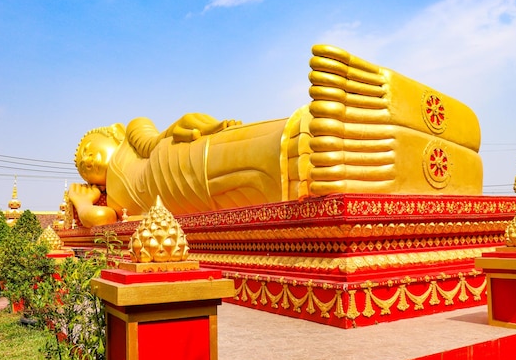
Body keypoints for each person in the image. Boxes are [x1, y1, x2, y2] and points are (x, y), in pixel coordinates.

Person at [69, 44, 482, 227]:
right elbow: (102, 220)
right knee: (251, 185)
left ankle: (329, 132)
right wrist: (81, 202)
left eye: (88, 148)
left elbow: (155, 137)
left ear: (111, 133)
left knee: (249, 152)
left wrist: (198, 126)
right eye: (82, 167)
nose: (87, 161)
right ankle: (349, 157)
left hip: (181, 158)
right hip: (179, 202)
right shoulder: (110, 202)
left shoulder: (132, 135)